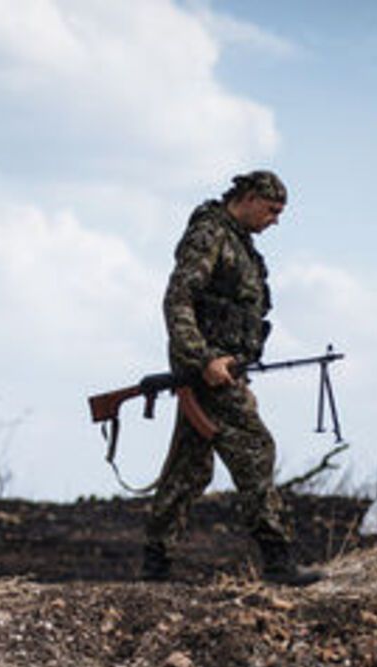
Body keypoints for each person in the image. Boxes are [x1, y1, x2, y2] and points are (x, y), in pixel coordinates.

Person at [141, 170, 321, 586]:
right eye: (272, 210)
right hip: (208, 372)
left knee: (189, 469)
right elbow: (178, 299)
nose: (275, 220)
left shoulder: (239, 243)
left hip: (222, 372)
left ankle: (155, 565)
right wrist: (203, 360)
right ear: (251, 197)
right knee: (256, 448)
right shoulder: (210, 234)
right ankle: (278, 561)